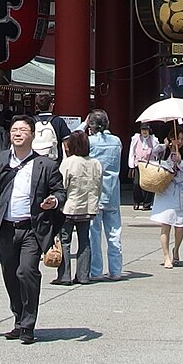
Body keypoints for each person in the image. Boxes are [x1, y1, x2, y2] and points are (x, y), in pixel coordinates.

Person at [0, 114, 63, 343]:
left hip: (32, 229)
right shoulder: (1, 159)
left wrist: (53, 201)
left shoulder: (46, 164)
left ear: (32, 135)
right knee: (10, 275)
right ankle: (18, 318)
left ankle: (28, 325)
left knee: (26, 272)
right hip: (6, 227)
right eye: (14, 130)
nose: (17, 133)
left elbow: (60, 192)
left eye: (22, 130)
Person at [57, 131, 104, 286]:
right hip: (88, 208)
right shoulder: (96, 163)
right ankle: (83, 275)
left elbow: (62, 186)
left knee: (65, 241)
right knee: (84, 241)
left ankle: (64, 275)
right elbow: (99, 186)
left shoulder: (69, 162)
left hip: (69, 208)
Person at [85, 110, 125, 280]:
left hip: (94, 193)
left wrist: (84, 125)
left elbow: (73, 139)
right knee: (114, 233)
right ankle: (116, 270)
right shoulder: (116, 141)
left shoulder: (89, 142)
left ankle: (96, 270)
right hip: (113, 191)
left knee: (94, 234)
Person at [149, 126, 183, 268]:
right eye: (176, 138)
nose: (178, 142)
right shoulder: (164, 149)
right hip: (166, 189)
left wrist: (180, 162)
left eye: (181, 139)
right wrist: (166, 145)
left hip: (180, 188)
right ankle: (166, 255)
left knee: (179, 225)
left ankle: (176, 250)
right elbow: (153, 152)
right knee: (165, 223)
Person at [130, 122, 157, 210]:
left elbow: (157, 152)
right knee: (136, 183)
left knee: (149, 184)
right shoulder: (136, 139)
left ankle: (147, 203)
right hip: (138, 164)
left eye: (146, 130)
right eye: (143, 130)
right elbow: (132, 151)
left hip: (149, 165)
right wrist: (131, 164)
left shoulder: (153, 140)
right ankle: (137, 202)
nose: (144, 132)